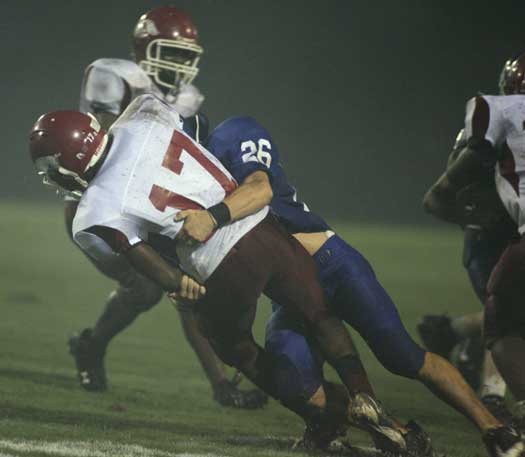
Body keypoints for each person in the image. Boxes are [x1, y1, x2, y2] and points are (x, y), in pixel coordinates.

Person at [29, 94, 409, 451]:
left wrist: (178, 283)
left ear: (68, 165)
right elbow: (194, 128)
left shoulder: (93, 210)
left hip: (219, 262)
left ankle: (320, 419)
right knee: (318, 311)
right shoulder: (142, 115)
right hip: (261, 226)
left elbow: (138, 253)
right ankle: (365, 394)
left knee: (237, 349)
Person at [167, 114, 524, 456]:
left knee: (402, 355)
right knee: (292, 377)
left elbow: (260, 189)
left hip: (331, 265)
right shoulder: (181, 189)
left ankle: (494, 429)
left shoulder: (232, 134)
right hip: (288, 293)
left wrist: (212, 217)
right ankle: (380, 430)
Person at [64, 6, 266, 409]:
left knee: (186, 283)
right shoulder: (116, 76)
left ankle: (220, 385)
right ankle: (91, 346)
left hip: (157, 208)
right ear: (144, 48)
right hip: (105, 204)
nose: (177, 64)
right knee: (148, 286)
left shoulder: (190, 102)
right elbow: (105, 141)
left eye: (183, 55)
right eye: (169, 52)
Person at [420, 51, 525, 431]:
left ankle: (449, 331)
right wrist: (477, 215)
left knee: (508, 319)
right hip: (490, 236)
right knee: (508, 322)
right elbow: (454, 180)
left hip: (510, 233)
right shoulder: (492, 125)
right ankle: (493, 395)